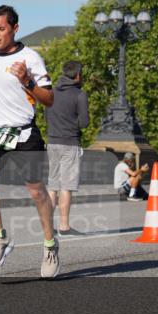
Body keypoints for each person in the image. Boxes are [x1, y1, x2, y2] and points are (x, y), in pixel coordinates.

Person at [0, 5, 59, 279]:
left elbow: (49, 99)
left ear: (15, 28)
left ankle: (50, 245)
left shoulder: (31, 58)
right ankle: (0, 239)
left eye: (1, 29)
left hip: (23, 132)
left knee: (36, 192)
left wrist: (27, 82)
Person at [45, 60, 89, 235]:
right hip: (69, 143)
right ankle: (64, 226)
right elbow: (84, 123)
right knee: (66, 186)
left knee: (53, 185)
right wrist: (73, 125)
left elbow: (47, 115)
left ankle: (47, 225)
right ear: (78, 75)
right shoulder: (80, 95)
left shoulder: (52, 93)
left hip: (52, 141)